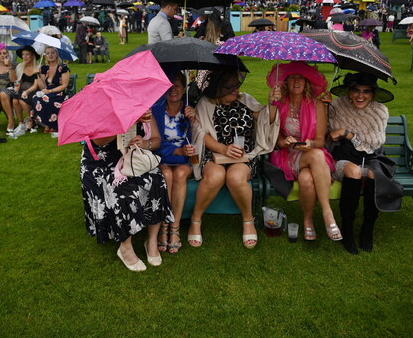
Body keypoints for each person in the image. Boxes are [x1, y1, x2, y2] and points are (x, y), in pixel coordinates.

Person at [188, 69, 280, 249]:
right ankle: (195, 219)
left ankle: (248, 220)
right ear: (217, 88)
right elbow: (200, 132)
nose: (235, 92)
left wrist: (272, 103)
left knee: (235, 178)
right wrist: (223, 148)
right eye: (229, 88)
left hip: (243, 156)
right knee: (215, 177)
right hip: (214, 154)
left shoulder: (244, 100)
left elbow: (264, 120)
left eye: (236, 87)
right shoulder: (205, 103)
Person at [81, 111, 173, 271]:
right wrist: (128, 120)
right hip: (101, 165)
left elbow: (157, 140)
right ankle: (125, 246)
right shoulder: (101, 109)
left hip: (132, 161)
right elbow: (99, 141)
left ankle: (151, 240)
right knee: (122, 189)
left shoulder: (143, 106)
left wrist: (145, 144)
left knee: (157, 179)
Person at [327, 72, 402, 254]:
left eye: (366, 91)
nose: (360, 96)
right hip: (343, 158)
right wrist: (324, 106)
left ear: (373, 94)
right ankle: (347, 228)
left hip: (372, 159)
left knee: (372, 174)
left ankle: (368, 227)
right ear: (349, 91)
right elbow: (328, 135)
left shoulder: (379, 111)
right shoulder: (337, 106)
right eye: (356, 90)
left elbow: (373, 144)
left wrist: (348, 134)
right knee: (352, 171)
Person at [267, 61, 342, 242]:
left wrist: (310, 144)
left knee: (307, 179)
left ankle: (308, 221)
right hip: (287, 156)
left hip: (311, 154)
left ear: (307, 82)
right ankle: (327, 213)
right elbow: (273, 136)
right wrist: (283, 141)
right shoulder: (280, 104)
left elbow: (320, 141)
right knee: (317, 156)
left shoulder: (316, 105)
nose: (296, 81)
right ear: (285, 82)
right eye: (292, 77)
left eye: (300, 77)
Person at [151, 73, 196, 254]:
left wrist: (193, 122)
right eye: (169, 85)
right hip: (162, 159)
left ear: (184, 88)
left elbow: (197, 139)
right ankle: (163, 226)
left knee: (179, 174)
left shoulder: (189, 111)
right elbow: (154, 142)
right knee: (167, 174)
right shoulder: (155, 110)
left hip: (185, 161)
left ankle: (174, 228)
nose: (173, 89)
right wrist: (176, 150)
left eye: (177, 85)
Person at [32, 46, 69, 134]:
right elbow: (43, 86)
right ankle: (47, 123)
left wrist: (50, 91)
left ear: (57, 54)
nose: (50, 55)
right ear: (45, 56)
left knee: (45, 98)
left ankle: (53, 124)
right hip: (46, 92)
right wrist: (37, 75)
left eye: (52, 53)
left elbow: (64, 85)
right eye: (47, 53)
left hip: (58, 93)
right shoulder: (44, 68)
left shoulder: (63, 67)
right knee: (35, 97)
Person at [12, 45, 40, 133]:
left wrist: (26, 92)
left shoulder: (37, 67)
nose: (24, 57)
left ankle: (30, 120)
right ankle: (20, 122)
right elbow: (18, 81)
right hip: (22, 89)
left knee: (21, 100)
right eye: (23, 55)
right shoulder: (20, 66)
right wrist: (17, 86)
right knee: (15, 100)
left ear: (32, 56)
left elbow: (36, 85)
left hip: (33, 90)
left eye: (27, 54)